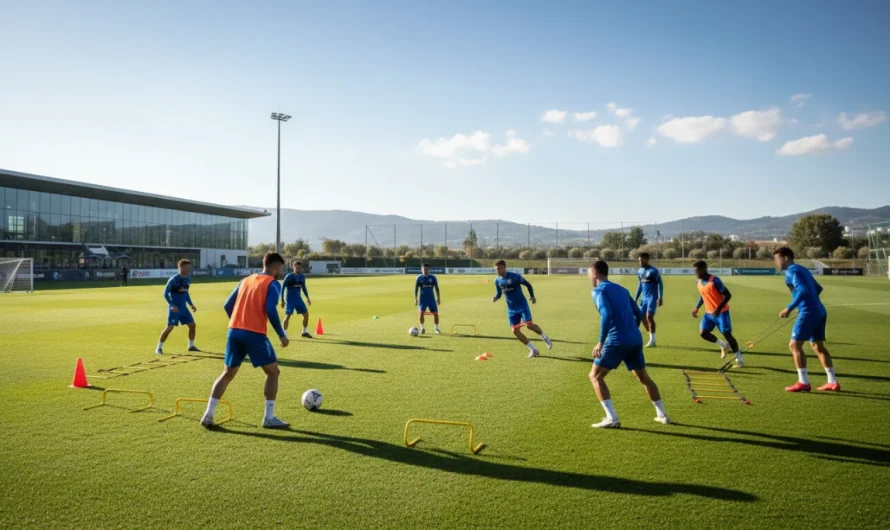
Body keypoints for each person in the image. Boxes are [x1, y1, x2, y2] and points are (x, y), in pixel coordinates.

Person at [202, 252, 291, 429]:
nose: (280, 271)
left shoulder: (245, 280)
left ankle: (208, 415)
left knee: (227, 373)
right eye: (280, 268)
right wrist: (281, 334)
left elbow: (227, 305)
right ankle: (269, 418)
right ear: (276, 267)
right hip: (254, 333)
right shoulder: (272, 283)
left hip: (234, 331)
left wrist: (239, 323)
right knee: (273, 372)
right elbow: (271, 310)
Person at [589, 260, 670, 428]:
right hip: (635, 338)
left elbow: (606, 315)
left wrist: (601, 342)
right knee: (644, 377)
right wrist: (633, 329)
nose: (588, 276)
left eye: (589, 272)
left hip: (616, 339)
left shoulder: (598, 291)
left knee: (595, 376)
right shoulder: (622, 289)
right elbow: (639, 313)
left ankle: (612, 418)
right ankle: (662, 414)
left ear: (595, 273)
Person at [773, 247, 840, 392]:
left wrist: (790, 307)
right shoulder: (802, 269)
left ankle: (803, 382)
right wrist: (807, 303)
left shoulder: (791, 271)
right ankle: (832, 381)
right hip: (819, 310)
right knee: (817, 346)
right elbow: (818, 288)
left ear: (785, 258)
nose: (775, 263)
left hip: (809, 312)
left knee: (794, 345)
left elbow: (803, 290)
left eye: (777, 259)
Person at [492, 259, 552, 357]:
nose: (498, 271)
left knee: (529, 325)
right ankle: (533, 349)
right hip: (511, 309)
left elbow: (528, 285)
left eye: (500, 268)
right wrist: (496, 297)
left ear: (505, 268)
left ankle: (544, 337)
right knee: (515, 331)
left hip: (522, 305)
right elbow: (499, 293)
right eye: (496, 269)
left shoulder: (515, 277)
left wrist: (532, 296)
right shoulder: (497, 280)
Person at [692, 261, 744, 367]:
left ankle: (739, 359)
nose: (696, 273)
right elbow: (703, 295)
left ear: (704, 269)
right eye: (695, 271)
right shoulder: (698, 282)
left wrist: (719, 308)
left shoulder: (715, 281)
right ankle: (724, 345)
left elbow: (728, 295)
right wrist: (697, 308)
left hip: (722, 313)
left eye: (697, 271)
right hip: (708, 314)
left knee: (727, 334)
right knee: (703, 333)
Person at [156, 259, 199, 354]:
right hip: (174, 309)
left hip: (184, 309)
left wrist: (191, 304)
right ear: (181, 268)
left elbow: (186, 293)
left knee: (192, 326)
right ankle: (159, 348)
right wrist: (172, 305)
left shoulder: (188, 279)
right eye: (187, 267)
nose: (189, 269)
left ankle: (191, 346)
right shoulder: (173, 280)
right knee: (170, 328)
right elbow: (165, 294)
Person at [634, 253, 663, 347]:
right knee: (640, 317)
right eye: (639, 260)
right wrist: (635, 298)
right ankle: (639, 337)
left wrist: (660, 297)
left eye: (642, 260)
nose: (640, 262)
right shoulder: (640, 271)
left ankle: (652, 340)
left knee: (649, 316)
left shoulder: (653, 271)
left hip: (652, 297)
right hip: (644, 298)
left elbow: (660, 284)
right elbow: (640, 285)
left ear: (647, 259)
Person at [280, 260, 312, 338]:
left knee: (306, 314)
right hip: (290, 300)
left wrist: (307, 297)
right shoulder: (289, 276)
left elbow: (304, 287)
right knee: (288, 316)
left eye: (299, 268)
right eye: (296, 267)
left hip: (298, 299)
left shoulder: (302, 276)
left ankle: (304, 332)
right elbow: (283, 288)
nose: (298, 269)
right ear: (293, 267)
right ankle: (284, 335)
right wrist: (282, 300)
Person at [414, 263, 441, 334]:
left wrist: (438, 298)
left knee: (435, 314)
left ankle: (436, 329)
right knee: (421, 314)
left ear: (429, 270)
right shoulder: (419, 278)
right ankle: (422, 328)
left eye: (426, 269)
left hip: (431, 299)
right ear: (421, 270)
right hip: (423, 300)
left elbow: (437, 288)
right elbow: (416, 289)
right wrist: (415, 299)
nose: (425, 271)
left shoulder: (433, 277)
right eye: (424, 269)